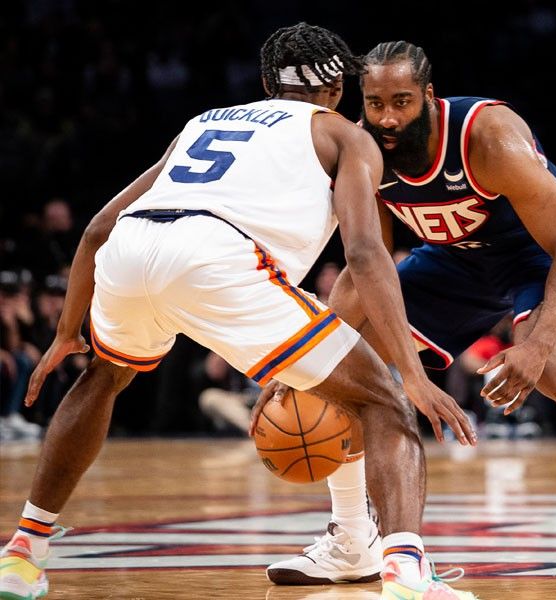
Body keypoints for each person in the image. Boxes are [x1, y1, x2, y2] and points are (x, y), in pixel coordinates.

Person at [0, 24, 478, 600]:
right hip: (220, 257)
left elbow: (99, 227)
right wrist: (414, 375)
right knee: (383, 398)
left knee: (104, 376)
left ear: (265, 83)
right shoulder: (344, 136)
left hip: (131, 248)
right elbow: (364, 252)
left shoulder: (205, 121)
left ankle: (24, 552)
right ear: (338, 88)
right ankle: (405, 570)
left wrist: (66, 333)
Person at [259, 41, 556, 596]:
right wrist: (306, 359)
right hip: (453, 257)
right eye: (375, 103)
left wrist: (533, 349)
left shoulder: (487, 136)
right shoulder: (360, 149)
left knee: (553, 366)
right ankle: (352, 538)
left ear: (429, 97)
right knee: (341, 362)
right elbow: (369, 263)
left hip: (539, 251)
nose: (387, 118)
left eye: (402, 102)